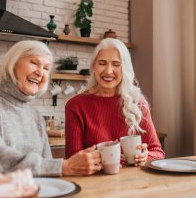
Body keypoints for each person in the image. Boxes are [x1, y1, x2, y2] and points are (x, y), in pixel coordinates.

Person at [0, 40, 101, 178]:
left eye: (46, 68)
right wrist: (64, 166)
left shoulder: (35, 116)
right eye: (34, 63)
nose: (40, 73)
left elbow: (48, 170)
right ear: (13, 65)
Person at [65, 38, 165, 166]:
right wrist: (124, 159)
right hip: (96, 182)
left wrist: (145, 156)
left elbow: (157, 152)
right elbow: (73, 159)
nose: (108, 71)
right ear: (93, 66)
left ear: (125, 69)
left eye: (116, 64)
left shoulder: (137, 102)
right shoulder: (75, 105)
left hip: (134, 183)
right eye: (102, 63)